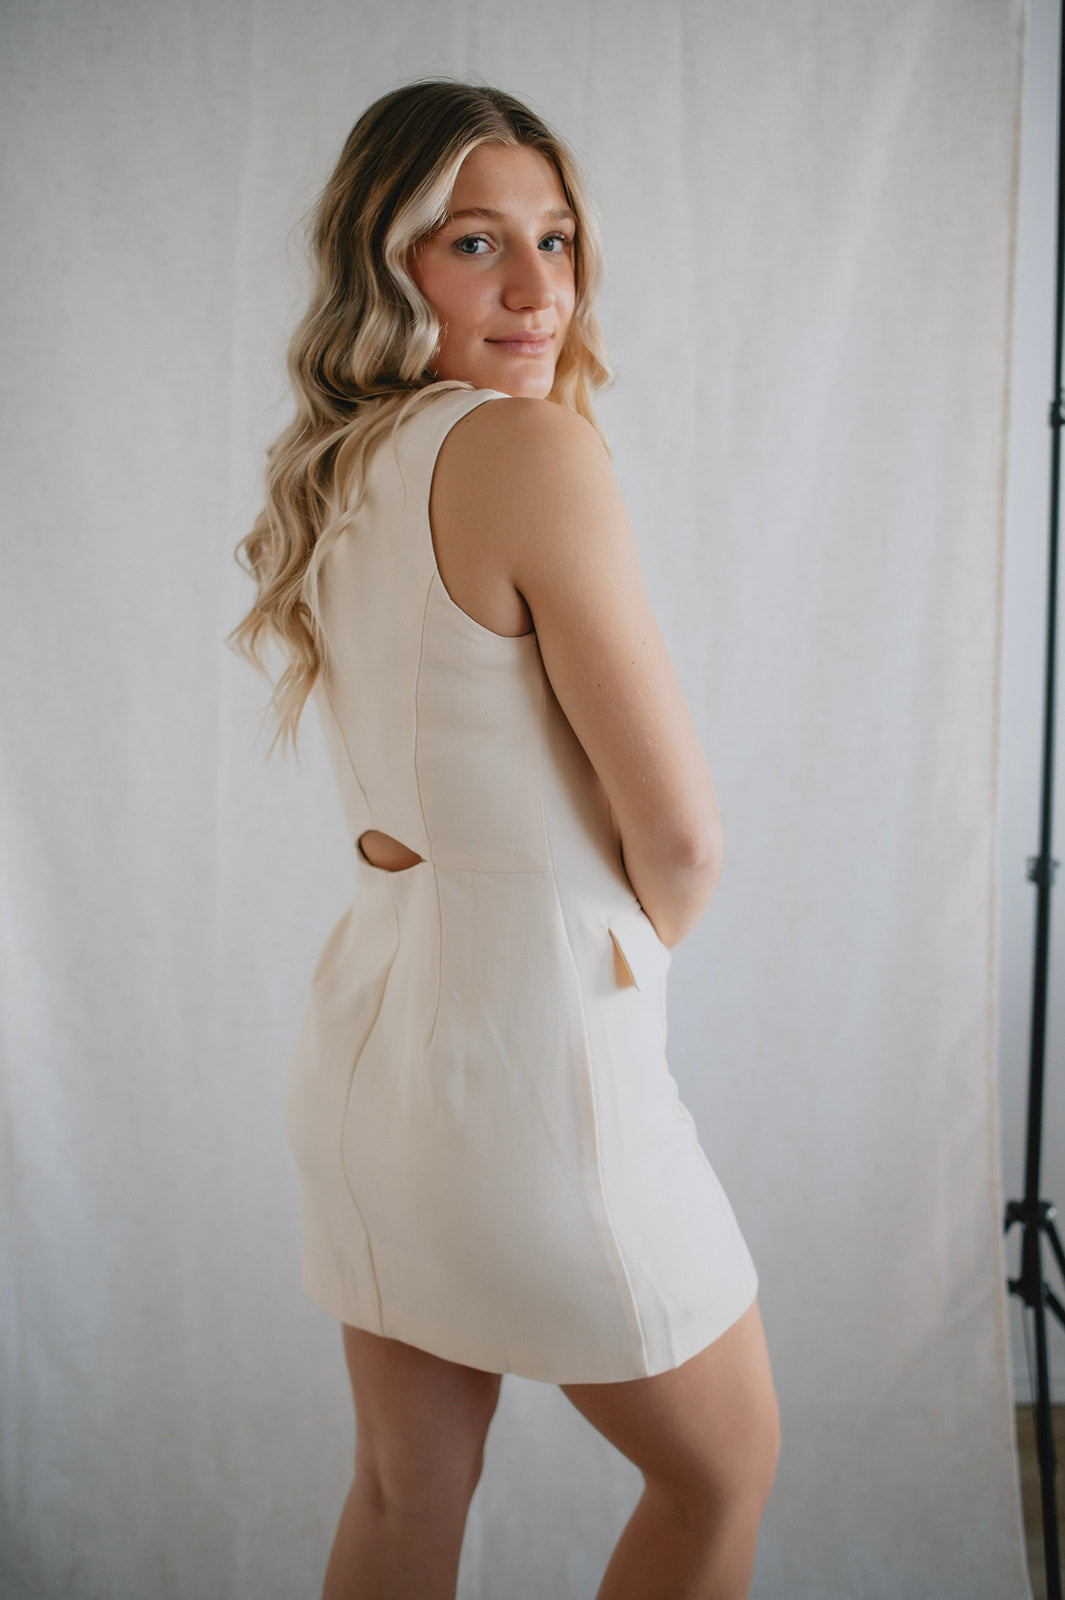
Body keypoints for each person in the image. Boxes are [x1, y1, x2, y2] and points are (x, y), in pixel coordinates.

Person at [231, 77, 779, 1600]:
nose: (537, 289)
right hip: (536, 1071)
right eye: (476, 242)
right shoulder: (525, 451)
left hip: (367, 1062)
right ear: (386, 258)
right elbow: (682, 840)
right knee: (722, 1471)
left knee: (404, 1492)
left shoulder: (343, 466)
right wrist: (607, 954)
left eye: (557, 238)